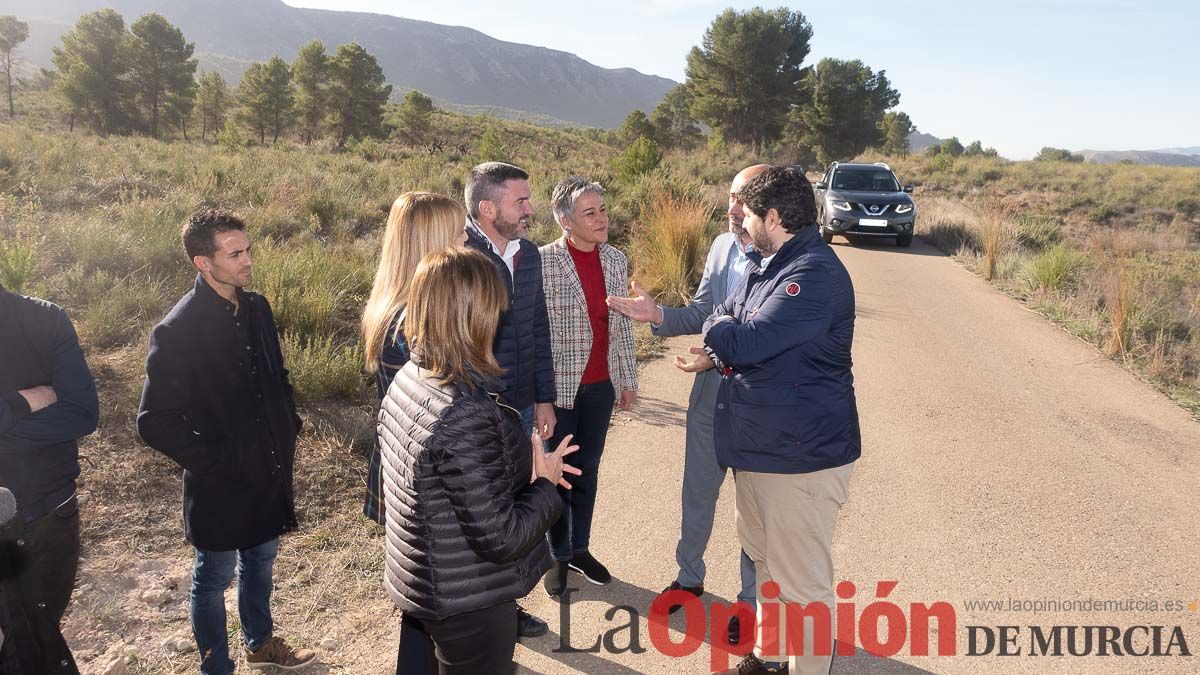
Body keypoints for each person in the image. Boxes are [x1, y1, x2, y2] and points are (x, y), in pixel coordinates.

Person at [378, 247, 579, 674]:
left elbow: (445, 488)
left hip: (427, 578)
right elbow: (502, 537)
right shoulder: (463, 411)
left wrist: (512, 469)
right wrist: (547, 484)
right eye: (494, 307)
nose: (500, 317)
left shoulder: (412, 377)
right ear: (473, 315)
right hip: (466, 598)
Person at [137, 209, 315, 675]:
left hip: (268, 471)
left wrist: (287, 424)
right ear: (203, 263)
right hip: (218, 483)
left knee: (260, 561)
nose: (247, 261)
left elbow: (277, 375)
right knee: (213, 577)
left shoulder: (257, 308)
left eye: (248, 249)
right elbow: (153, 421)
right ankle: (216, 666)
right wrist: (217, 462)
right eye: (234, 254)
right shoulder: (176, 331)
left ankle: (259, 644)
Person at [698, 167, 860, 675]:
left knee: (804, 586)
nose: (739, 224)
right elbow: (724, 314)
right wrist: (722, 324)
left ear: (772, 216)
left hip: (799, 457)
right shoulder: (772, 264)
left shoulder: (811, 274)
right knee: (766, 561)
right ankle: (769, 659)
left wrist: (720, 328)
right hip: (765, 450)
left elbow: (743, 341)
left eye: (745, 214)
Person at [606, 164, 768, 643]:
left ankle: (750, 604)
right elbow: (703, 312)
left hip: (757, 400)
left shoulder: (782, 258)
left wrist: (717, 352)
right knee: (697, 491)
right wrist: (657, 313)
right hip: (709, 394)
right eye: (731, 197)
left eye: (741, 199)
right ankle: (689, 577)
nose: (731, 208)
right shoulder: (721, 248)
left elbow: (764, 337)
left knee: (753, 508)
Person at [539, 177, 637, 596]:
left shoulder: (616, 259)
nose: (602, 219)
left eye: (603, 210)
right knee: (557, 473)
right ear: (565, 221)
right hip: (558, 391)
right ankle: (556, 557)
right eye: (590, 213)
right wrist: (539, 396)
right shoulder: (541, 262)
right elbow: (534, 334)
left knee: (588, 470)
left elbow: (622, 326)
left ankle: (580, 549)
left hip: (601, 386)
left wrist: (626, 378)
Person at [0, 281, 99, 674]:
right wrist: (24, 401)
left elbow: (81, 413)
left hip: (50, 513)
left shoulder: (44, 317)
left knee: (41, 636)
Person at [462, 162, 557, 440]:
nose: (530, 210)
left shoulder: (528, 254)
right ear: (487, 209)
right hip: (478, 409)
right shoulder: (460, 261)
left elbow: (538, 329)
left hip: (525, 404)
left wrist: (544, 399)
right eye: (521, 202)